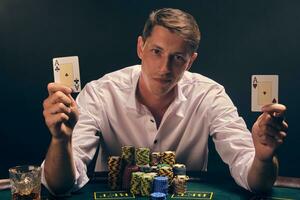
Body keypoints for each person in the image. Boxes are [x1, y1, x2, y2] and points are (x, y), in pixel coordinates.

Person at [42, 8, 288, 195]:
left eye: (178, 57)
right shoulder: (100, 93)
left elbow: (254, 180)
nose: (164, 67)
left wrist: (263, 157)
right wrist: (60, 140)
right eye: (156, 51)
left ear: (191, 61)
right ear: (141, 47)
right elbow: (59, 185)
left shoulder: (209, 95)